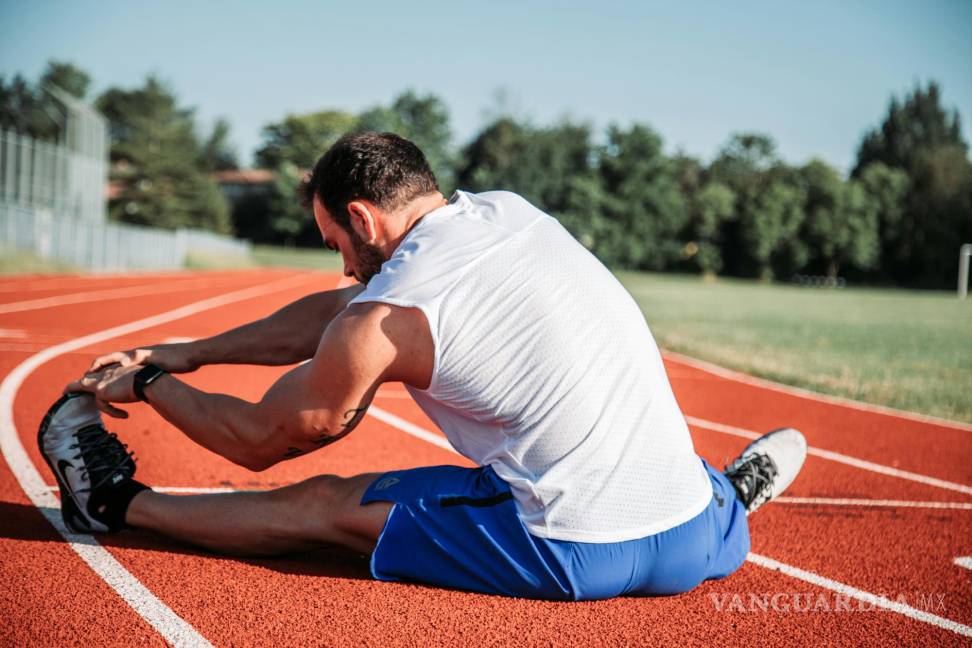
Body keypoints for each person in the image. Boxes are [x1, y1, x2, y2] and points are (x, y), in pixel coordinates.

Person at [39, 132, 807, 601]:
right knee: (641, 442)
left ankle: (115, 506)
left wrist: (151, 383)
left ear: (362, 218)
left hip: (570, 548)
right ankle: (731, 497)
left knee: (321, 505)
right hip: (692, 538)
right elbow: (342, 309)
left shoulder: (385, 317)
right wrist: (190, 351)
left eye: (336, 243)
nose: (343, 267)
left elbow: (262, 439)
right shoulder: (506, 213)